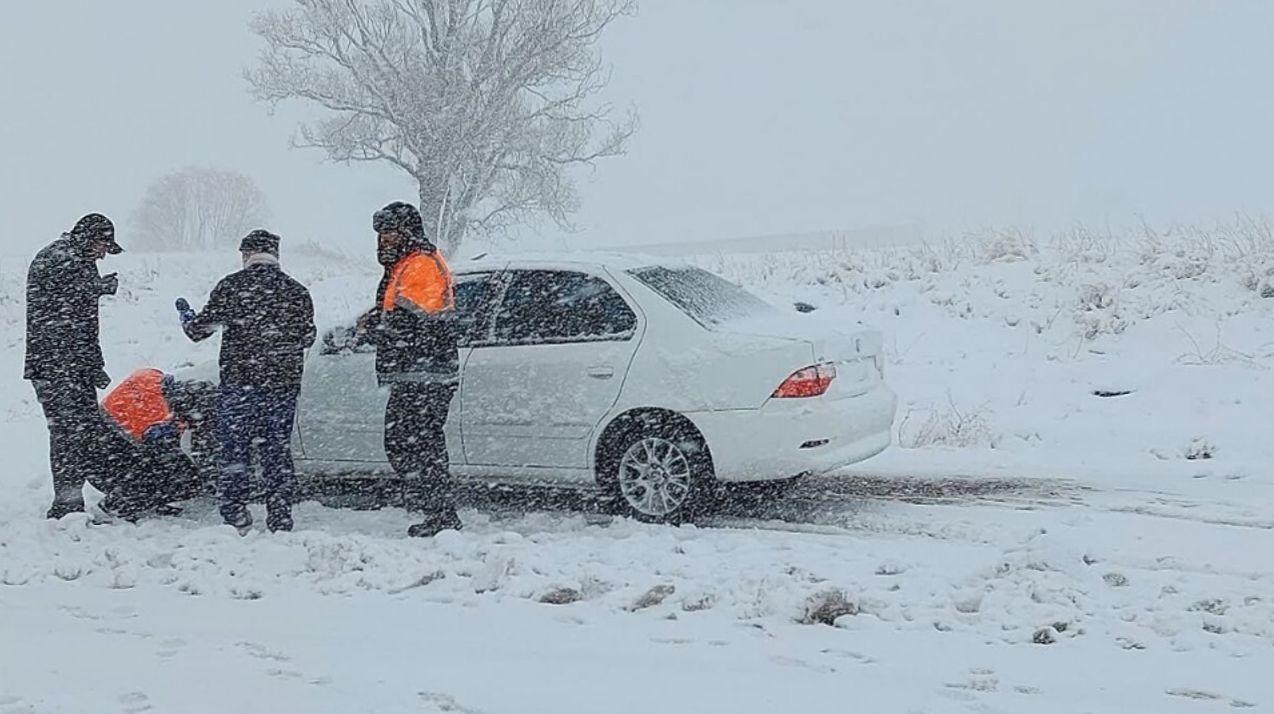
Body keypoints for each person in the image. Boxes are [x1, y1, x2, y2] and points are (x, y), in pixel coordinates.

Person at [176, 230, 315, 533]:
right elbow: (308, 336)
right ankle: (280, 514)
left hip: (240, 385)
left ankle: (235, 512)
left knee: (234, 450)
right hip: (282, 387)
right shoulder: (297, 291)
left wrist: (187, 316)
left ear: (245, 255)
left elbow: (199, 331)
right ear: (276, 255)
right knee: (276, 450)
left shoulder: (232, 286)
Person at [362, 202, 462, 538]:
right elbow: (401, 314)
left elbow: (410, 323)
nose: (382, 240)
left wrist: (373, 331)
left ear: (405, 232)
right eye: (379, 234)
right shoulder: (406, 264)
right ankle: (434, 504)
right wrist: (375, 320)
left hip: (425, 372)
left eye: (388, 232)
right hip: (417, 372)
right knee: (413, 443)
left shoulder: (420, 265)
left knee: (416, 443)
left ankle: (440, 511)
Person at [24, 213, 124, 519]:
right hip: (55, 365)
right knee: (68, 432)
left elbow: (81, 322)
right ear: (86, 237)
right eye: (103, 245)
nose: (104, 253)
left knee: (87, 429)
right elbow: (67, 306)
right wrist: (99, 286)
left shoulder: (77, 260)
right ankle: (67, 504)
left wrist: (92, 364)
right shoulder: (59, 258)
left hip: (72, 364)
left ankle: (119, 490)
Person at [92, 368, 217, 522]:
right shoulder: (159, 424)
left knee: (154, 465)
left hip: (90, 451)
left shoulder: (150, 377)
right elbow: (173, 461)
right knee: (186, 480)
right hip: (106, 469)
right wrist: (206, 481)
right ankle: (116, 505)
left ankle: (144, 498)